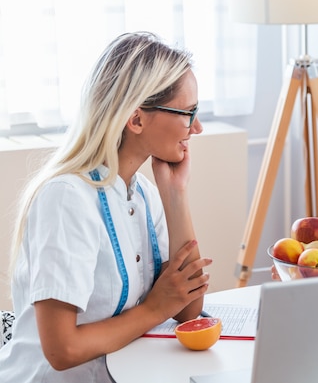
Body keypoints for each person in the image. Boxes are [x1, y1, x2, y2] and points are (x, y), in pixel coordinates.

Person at [0, 32, 211, 381]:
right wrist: (154, 308)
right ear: (137, 119)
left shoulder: (142, 192)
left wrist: (176, 195)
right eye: (188, 113)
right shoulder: (67, 198)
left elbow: (189, 311)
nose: (197, 127)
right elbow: (61, 350)